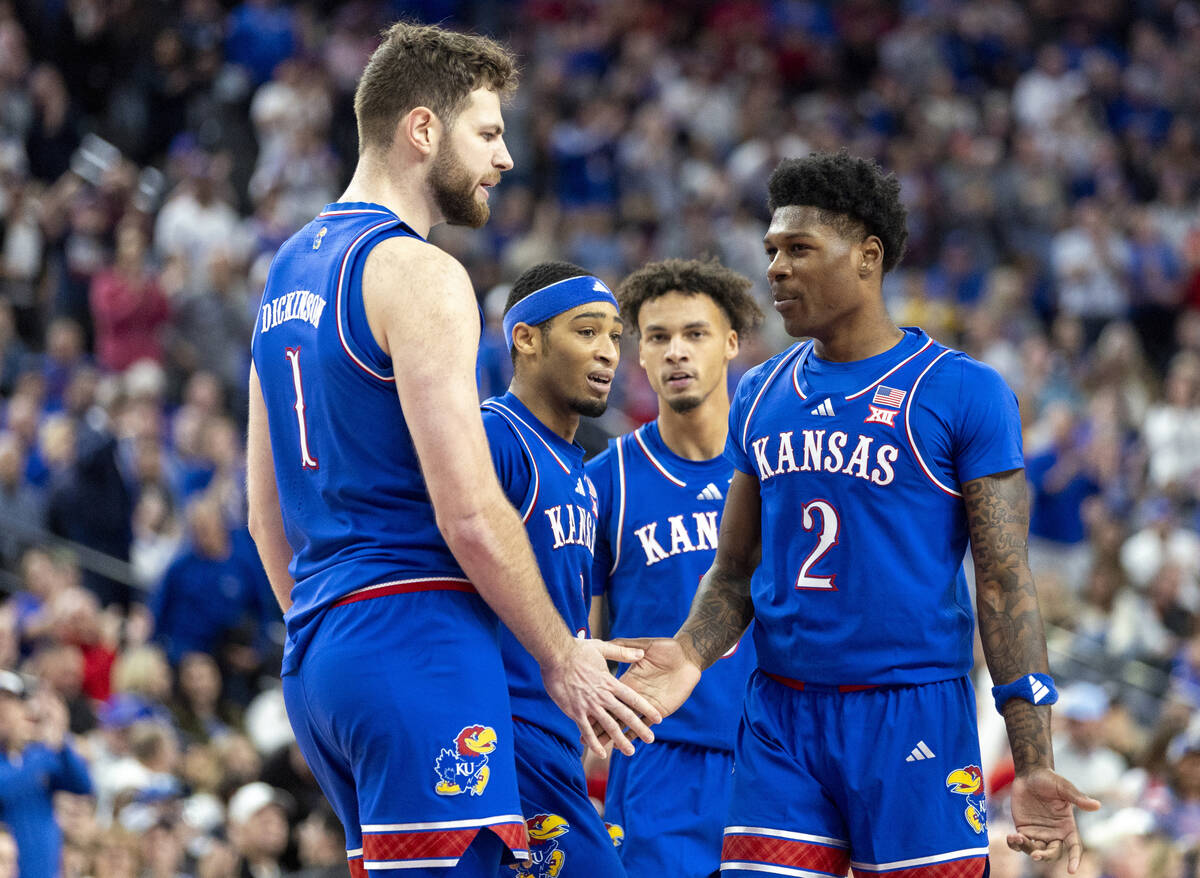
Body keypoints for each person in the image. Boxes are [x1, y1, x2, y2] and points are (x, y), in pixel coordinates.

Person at [611, 151, 1101, 876]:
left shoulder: (962, 391)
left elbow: (1003, 581)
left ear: (868, 257)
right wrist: (689, 652)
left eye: (800, 249)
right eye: (773, 249)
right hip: (780, 714)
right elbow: (736, 570)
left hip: (911, 710)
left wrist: (1032, 760)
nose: (775, 267)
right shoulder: (759, 393)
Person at [245, 22, 657, 877]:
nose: (504, 159)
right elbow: (469, 510)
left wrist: (335, 630)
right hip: (415, 636)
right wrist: (562, 655)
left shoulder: (285, 271)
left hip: (320, 652)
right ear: (422, 129)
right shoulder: (421, 273)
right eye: (489, 132)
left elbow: (263, 515)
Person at [586, 258, 763, 877]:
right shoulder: (607, 479)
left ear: (732, 344)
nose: (676, 352)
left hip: (776, 755)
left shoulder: (777, 467)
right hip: (660, 761)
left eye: (696, 334)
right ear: (639, 353)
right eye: (658, 337)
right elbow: (580, 631)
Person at [480, 261, 628, 877]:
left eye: (616, 337)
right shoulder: (495, 437)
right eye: (587, 332)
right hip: (505, 729)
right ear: (527, 338)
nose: (609, 354)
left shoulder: (576, 465)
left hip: (556, 733)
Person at [0, 670, 93, 878]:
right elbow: (3, 788)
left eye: (10, 704)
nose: (4, 711)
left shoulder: (35, 756)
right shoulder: (40, 759)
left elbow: (83, 784)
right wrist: (49, 751)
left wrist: (62, 741)